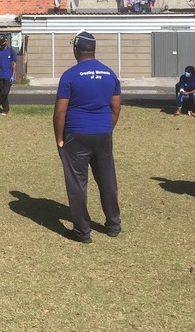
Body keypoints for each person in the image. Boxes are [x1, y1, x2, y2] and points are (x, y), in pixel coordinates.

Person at [53, 31, 122, 243]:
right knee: (107, 179)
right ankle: (113, 224)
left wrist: (59, 139)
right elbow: (116, 107)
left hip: (76, 134)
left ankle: (82, 231)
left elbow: (60, 112)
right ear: (93, 50)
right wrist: (106, 128)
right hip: (102, 133)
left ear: (76, 50)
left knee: (77, 182)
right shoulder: (109, 74)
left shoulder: (70, 75)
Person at [0, 35, 17, 115]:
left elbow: (14, 64)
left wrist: (13, 75)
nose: (1, 43)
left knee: (5, 93)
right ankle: (5, 110)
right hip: (0, 75)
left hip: (8, 75)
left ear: (6, 42)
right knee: (2, 93)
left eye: (3, 42)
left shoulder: (11, 51)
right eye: (0, 42)